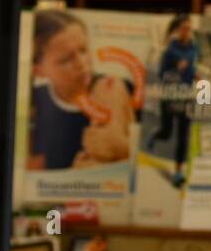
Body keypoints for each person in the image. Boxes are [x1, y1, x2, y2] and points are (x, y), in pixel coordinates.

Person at [28, 10, 135, 171]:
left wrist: (118, 146)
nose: (82, 63)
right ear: (38, 70)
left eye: (83, 50)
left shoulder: (114, 87)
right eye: (65, 60)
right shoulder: (35, 102)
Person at [147, 14, 198, 187]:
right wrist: (177, 69)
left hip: (186, 95)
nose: (187, 32)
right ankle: (155, 135)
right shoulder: (170, 51)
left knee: (183, 134)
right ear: (177, 30)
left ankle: (178, 172)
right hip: (170, 95)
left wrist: (196, 76)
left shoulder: (194, 48)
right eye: (183, 28)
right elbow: (162, 75)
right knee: (167, 132)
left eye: (189, 28)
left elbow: (193, 69)